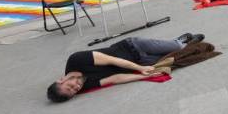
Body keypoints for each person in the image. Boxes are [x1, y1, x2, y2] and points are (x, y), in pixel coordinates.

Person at [47, 33, 205, 102]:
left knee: (175, 45)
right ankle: (184, 44)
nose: (76, 87)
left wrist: (138, 67)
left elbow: (113, 60)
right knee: (175, 54)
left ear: (61, 80)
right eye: (74, 91)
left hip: (132, 46)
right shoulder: (85, 85)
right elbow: (115, 79)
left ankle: (179, 40)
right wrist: (143, 76)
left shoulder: (76, 60)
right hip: (140, 61)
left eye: (69, 86)